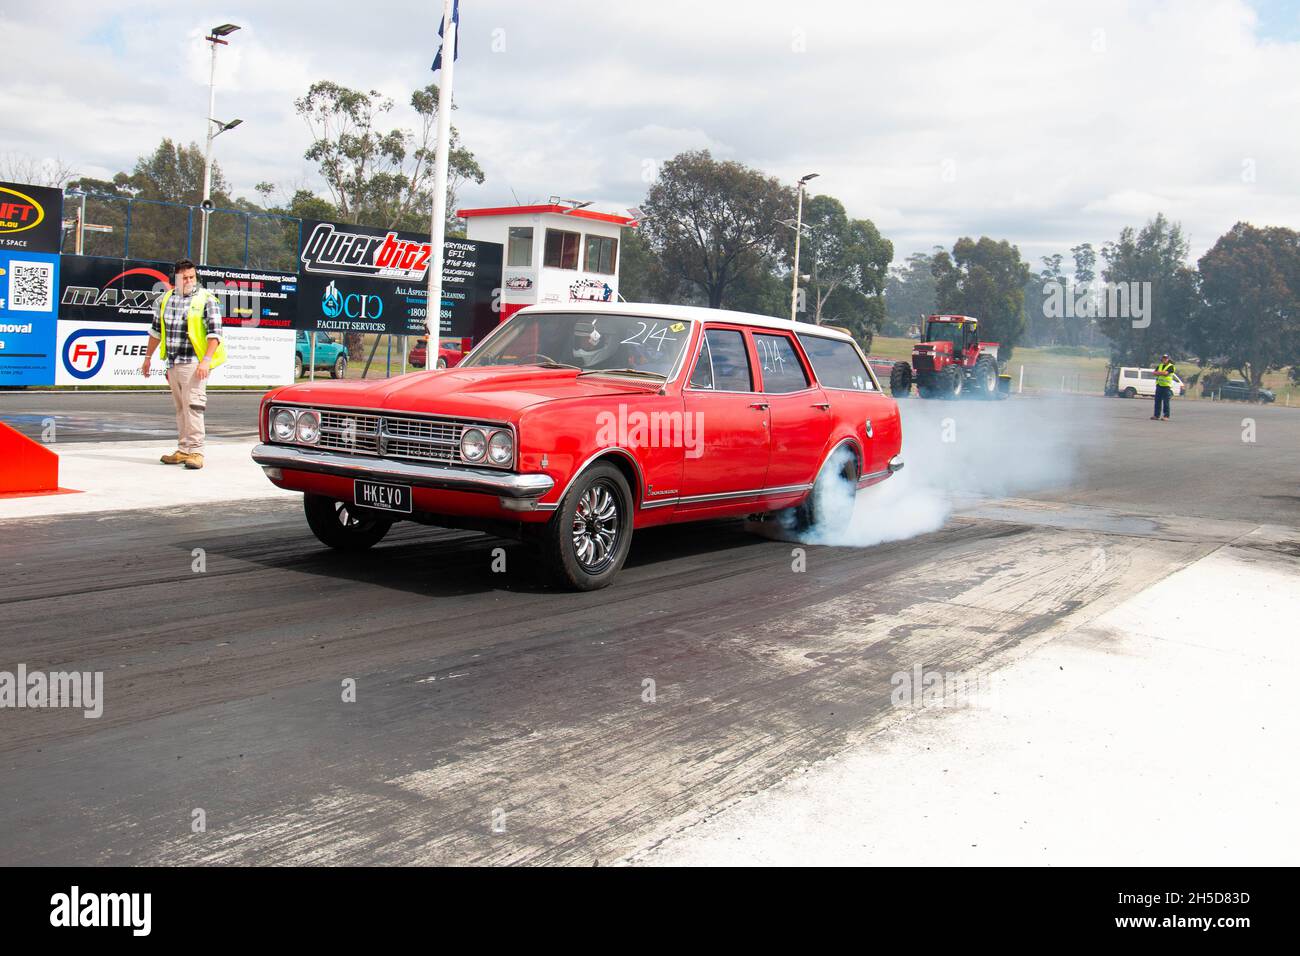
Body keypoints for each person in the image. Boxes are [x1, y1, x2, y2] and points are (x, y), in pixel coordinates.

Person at [140, 259, 226, 469]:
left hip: (194, 364)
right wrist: (148, 358)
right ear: (175, 279)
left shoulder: (207, 300)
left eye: (192, 277)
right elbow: (156, 331)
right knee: (180, 408)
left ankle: (196, 452)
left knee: (194, 406)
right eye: (184, 277)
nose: (188, 281)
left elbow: (215, 334)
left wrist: (206, 361)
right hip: (173, 362)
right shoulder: (165, 299)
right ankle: (183, 449)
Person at [1151, 353, 1175, 421]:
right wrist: (1161, 373)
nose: (1164, 359)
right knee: (1157, 401)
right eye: (1163, 358)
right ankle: (1156, 415)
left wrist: (1159, 373)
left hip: (1166, 386)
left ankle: (1166, 416)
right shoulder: (1160, 365)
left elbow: (1166, 373)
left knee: (1166, 402)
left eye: (1166, 358)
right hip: (1159, 385)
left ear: (1168, 359)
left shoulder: (1171, 366)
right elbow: (1154, 373)